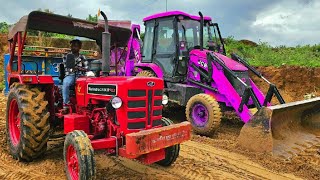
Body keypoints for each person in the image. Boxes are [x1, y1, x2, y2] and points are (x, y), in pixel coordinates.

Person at [62, 39, 89, 113]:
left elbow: (86, 68)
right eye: (72, 46)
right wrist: (74, 69)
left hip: (81, 76)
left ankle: (86, 105)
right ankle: (66, 104)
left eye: (76, 46)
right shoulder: (67, 56)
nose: (74, 48)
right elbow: (67, 68)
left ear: (79, 47)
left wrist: (79, 69)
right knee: (66, 83)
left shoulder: (82, 57)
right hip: (70, 75)